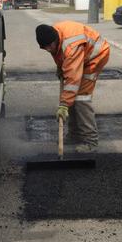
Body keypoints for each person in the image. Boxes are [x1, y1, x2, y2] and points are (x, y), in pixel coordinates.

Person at [35, 21, 111, 152]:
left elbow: (73, 79)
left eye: (49, 46)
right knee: (72, 97)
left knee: (81, 98)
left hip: (95, 57)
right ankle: (75, 135)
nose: (48, 50)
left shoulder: (71, 46)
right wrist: (60, 67)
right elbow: (59, 54)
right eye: (44, 48)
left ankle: (91, 141)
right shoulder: (54, 36)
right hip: (80, 56)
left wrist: (64, 105)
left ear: (55, 40)